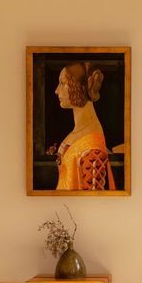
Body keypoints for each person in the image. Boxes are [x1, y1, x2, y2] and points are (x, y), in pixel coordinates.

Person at [54, 61, 115, 190]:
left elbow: (93, 201)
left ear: (78, 86)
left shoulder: (93, 147)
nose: (56, 90)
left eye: (62, 83)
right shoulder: (79, 132)